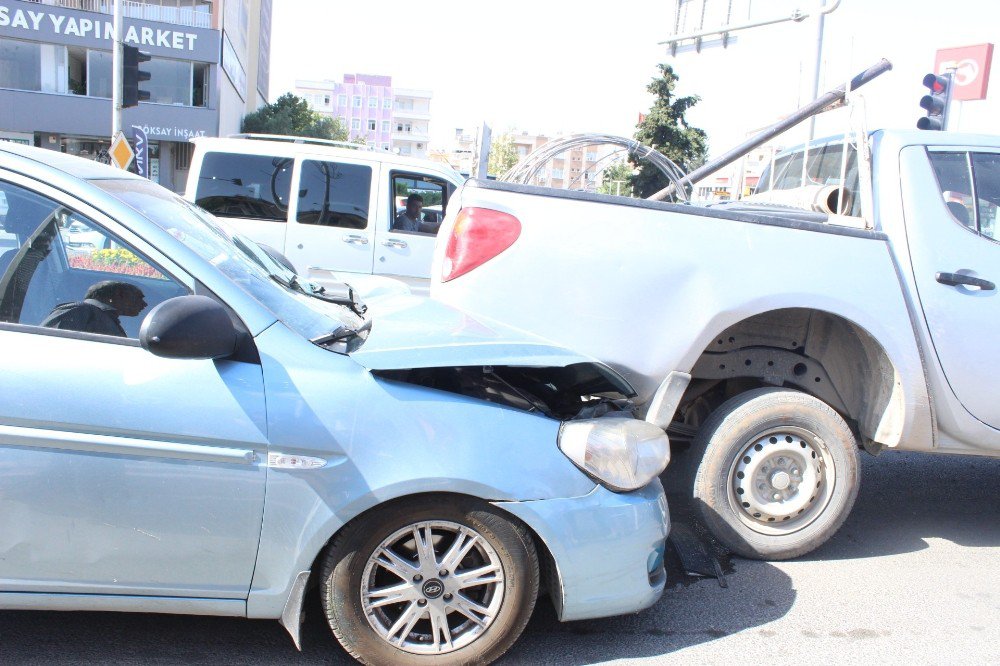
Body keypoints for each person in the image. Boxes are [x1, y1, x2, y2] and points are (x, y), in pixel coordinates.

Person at [41, 280, 147, 337]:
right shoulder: (78, 311)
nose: (144, 304)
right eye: (138, 297)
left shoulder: (105, 318)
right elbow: (48, 345)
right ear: (119, 295)